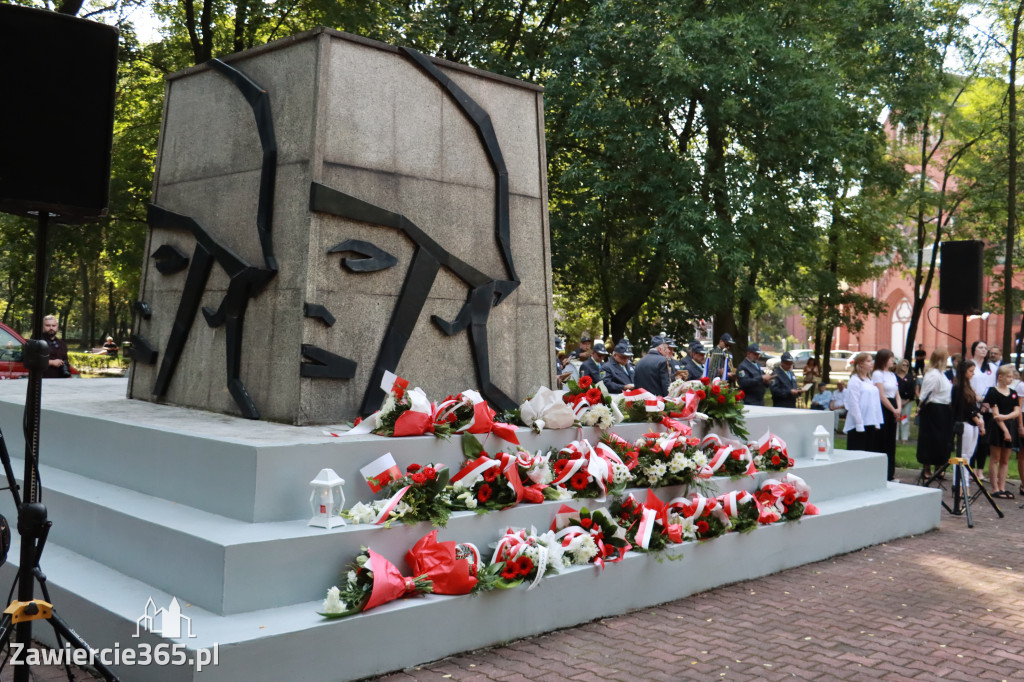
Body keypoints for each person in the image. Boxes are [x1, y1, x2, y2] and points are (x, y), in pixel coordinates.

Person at [983, 364, 1019, 498]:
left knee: (1005, 459)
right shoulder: (993, 392)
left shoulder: (1013, 393)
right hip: (998, 427)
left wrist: (1006, 417)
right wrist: (1005, 431)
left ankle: (1002, 487)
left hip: (1009, 424)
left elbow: (1016, 411)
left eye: (1012, 377)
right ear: (1000, 377)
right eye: (1008, 377)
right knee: (995, 458)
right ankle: (994, 488)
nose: (1011, 379)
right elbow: (996, 415)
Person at [916, 350, 953, 480]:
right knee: (931, 439)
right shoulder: (933, 374)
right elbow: (926, 394)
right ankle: (927, 468)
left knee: (941, 440)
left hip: (943, 409)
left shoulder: (942, 374)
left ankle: (939, 466)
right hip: (933, 409)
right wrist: (920, 407)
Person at [844, 352, 883, 453]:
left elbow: (874, 402)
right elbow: (853, 403)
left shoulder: (869, 380)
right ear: (861, 364)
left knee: (870, 452)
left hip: (870, 421)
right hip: (859, 423)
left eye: (872, 361)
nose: (871, 363)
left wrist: (877, 421)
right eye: (868, 361)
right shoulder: (855, 381)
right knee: (858, 451)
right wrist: (859, 423)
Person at [871, 349, 901, 481]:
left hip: (893, 405)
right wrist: (893, 410)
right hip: (884, 408)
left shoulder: (892, 375)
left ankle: (890, 473)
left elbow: (897, 394)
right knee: (882, 439)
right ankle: (881, 472)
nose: (892, 361)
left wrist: (898, 408)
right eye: (890, 358)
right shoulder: (878, 374)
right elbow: (882, 396)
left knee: (891, 441)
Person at [951, 359, 983, 477]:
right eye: (971, 371)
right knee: (963, 454)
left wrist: (979, 418)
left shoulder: (968, 386)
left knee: (969, 454)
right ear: (963, 371)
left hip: (973, 423)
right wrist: (977, 419)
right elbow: (964, 407)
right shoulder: (958, 387)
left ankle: (966, 482)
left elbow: (973, 405)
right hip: (965, 422)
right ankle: (958, 482)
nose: (973, 373)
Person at [969, 341, 996, 476]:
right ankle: (971, 468)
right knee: (974, 436)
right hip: (973, 405)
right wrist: (977, 398)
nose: (984, 350)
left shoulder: (991, 367)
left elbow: (994, 386)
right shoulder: (970, 365)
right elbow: (966, 385)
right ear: (974, 350)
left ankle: (980, 470)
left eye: (986, 348)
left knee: (985, 441)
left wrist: (988, 403)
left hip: (988, 407)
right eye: (981, 347)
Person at [39, 314, 70, 378]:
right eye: (48, 325)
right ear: (42, 327)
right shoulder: (36, 342)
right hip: (42, 380)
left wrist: (68, 375)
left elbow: (65, 362)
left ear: (57, 327)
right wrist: (52, 362)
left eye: (53, 326)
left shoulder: (62, 344)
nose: (51, 328)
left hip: (60, 381)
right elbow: (31, 361)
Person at [895, 359, 916, 444]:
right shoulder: (895, 376)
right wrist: (899, 402)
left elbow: (912, 390)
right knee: (896, 419)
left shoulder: (910, 377)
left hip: (907, 401)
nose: (905, 367)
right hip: (896, 401)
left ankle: (904, 438)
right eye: (903, 365)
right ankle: (895, 438)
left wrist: (906, 401)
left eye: (907, 365)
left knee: (904, 419)